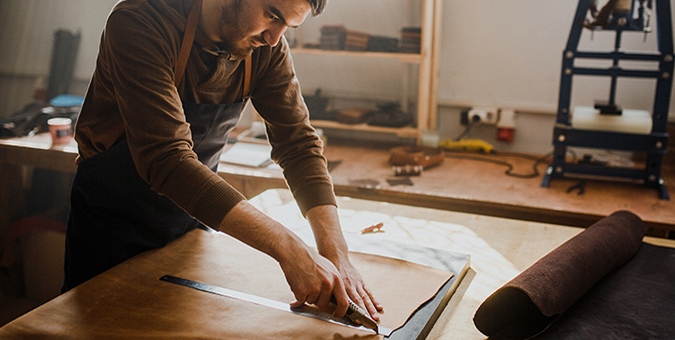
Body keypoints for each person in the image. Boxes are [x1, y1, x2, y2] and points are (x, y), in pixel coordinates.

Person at [63, 0, 383, 321]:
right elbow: (168, 160)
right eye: (272, 15)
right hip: (110, 230)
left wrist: (336, 254)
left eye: (288, 26)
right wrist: (289, 248)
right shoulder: (140, 23)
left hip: (189, 230)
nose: (274, 38)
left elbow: (297, 144)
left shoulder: (265, 47)